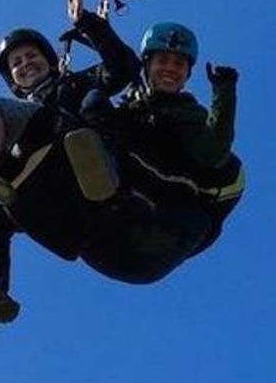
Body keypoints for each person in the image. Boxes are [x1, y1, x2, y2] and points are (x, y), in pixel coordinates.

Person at [0, 0, 140, 326]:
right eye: (16, 63)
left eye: (31, 56)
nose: (25, 64)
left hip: (71, 156)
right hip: (48, 203)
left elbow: (125, 69)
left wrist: (87, 22)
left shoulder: (74, 84)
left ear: (50, 61)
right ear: (13, 80)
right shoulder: (7, 115)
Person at [79, 22, 243, 283]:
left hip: (167, 230)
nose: (170, 69)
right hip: (109, 235)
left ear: (187, 74)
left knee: (136, 131)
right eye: (162, 61)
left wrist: (224, 92)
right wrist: (89, 24)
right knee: (94, 104)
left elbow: (212, 152)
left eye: (179, 64)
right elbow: (122, 63)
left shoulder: (188, 116)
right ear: (148, 66)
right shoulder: (131, 111)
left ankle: (110, 195)